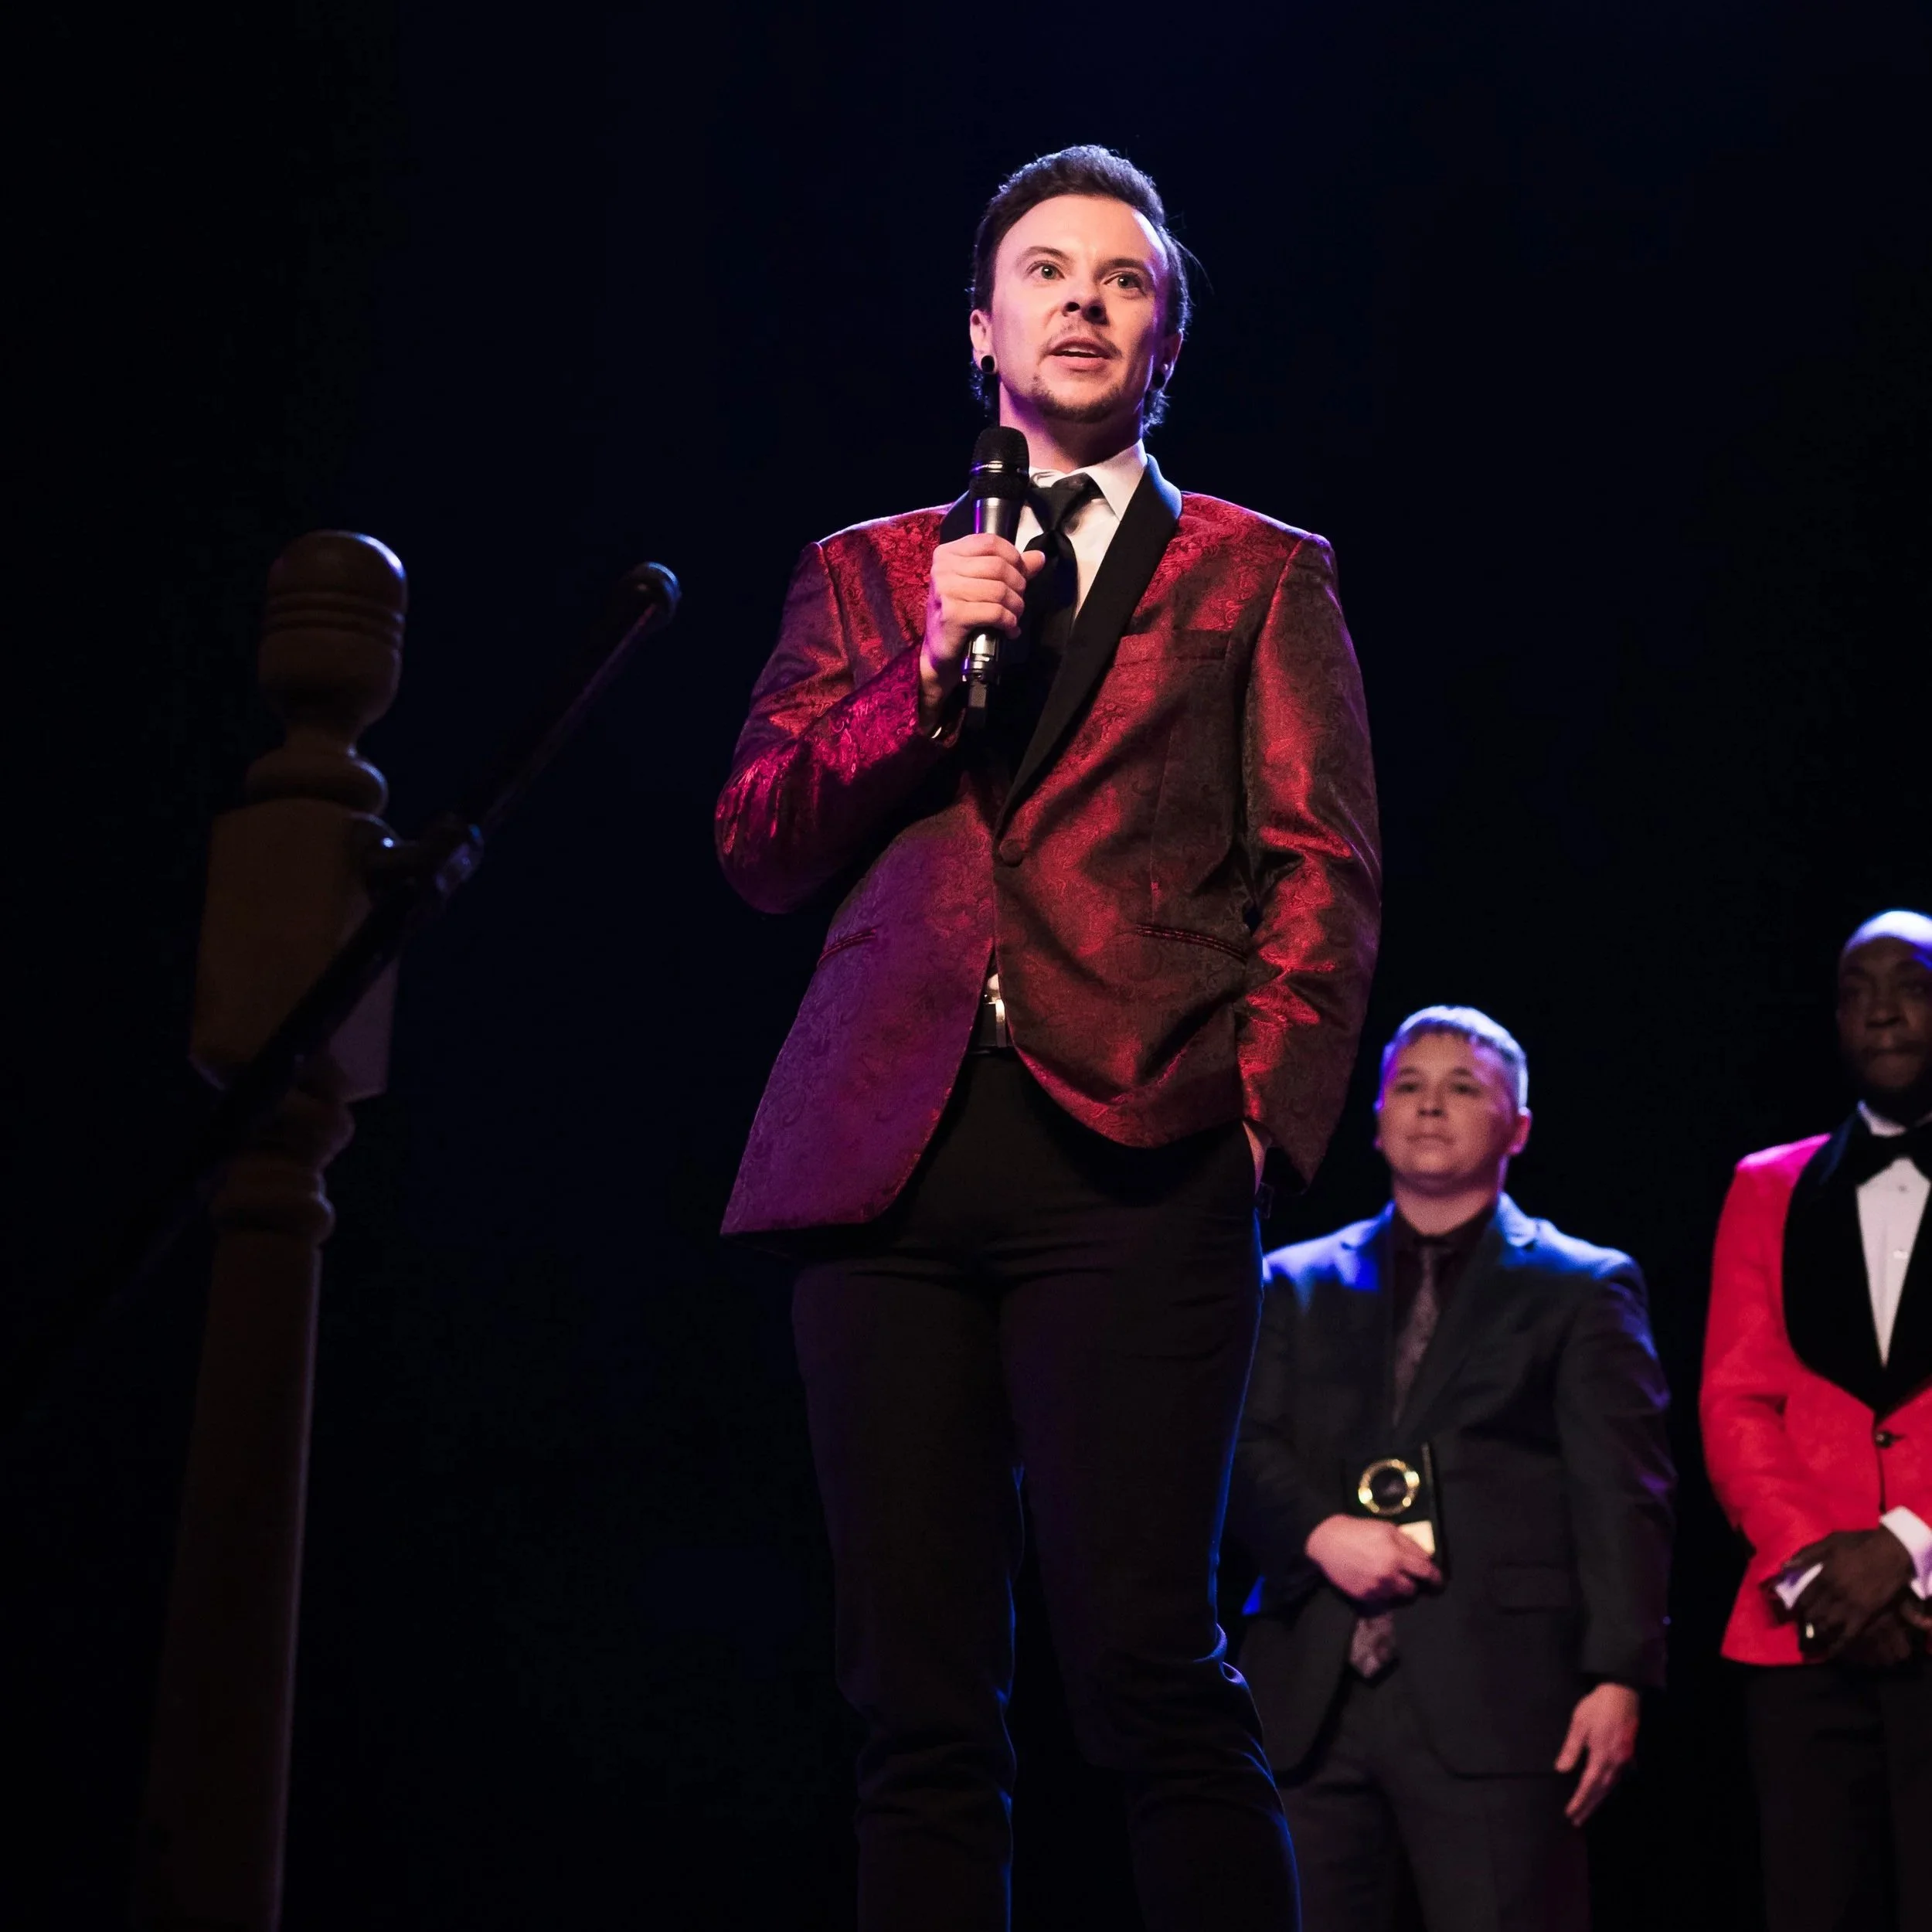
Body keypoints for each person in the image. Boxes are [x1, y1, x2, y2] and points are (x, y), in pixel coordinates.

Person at [714, 146, 1380, 1931]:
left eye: (1126, 279)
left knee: (1151, 1670)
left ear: (1167, 343)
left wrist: (1254, 1121)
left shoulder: (1260, 574)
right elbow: (762, 840)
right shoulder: (868, 572)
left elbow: (1322, 869)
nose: (1084, 298)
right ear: (979, 330)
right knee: (915, 1705)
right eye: (1046, 270)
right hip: (887, 1167)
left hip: (1142, 1153)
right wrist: (922, 681)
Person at [1230, 1006, 1674, 1932]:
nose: (1430, 1106)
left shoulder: (1582, 1284)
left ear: (1516, 1127)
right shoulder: (1293, 1280)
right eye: (1408, 1086)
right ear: (1376, 1117)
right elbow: (1237, 1446)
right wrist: (1321, 1531)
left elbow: (1622, 1495)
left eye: (1462, 1087)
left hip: (1501, 1694)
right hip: (1312, 1689)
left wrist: (1618, 1673)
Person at [1700, 909, 1932, 1932]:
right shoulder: (1769, 1184)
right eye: (1856, 991)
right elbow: (1736, 1399)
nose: (1881, 1008)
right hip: (1805, 1634)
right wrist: (1818, 1571)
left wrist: (1908, 1550)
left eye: (1912, 983)